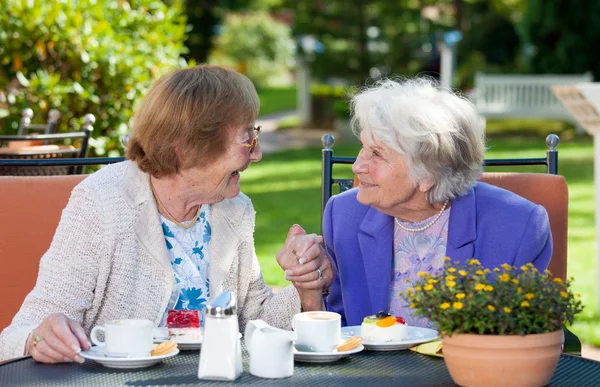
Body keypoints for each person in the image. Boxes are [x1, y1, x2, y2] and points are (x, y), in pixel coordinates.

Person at [0, 65, 332, 363]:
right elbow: (21, 333)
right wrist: (40, 338)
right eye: (247, 140)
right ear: (187, 150)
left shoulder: (234, 209)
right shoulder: (101, 203)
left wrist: (305, 287)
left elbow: (254, 321)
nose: (257, 154)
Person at [323, 77, 551, 328]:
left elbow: (529, 338)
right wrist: (310, 290)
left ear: (428, 174)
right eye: (363, 147)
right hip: (373, 368)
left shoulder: (518, 227)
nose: (357, 166)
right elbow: (339, 329)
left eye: (377, 153)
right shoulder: (343, 215)